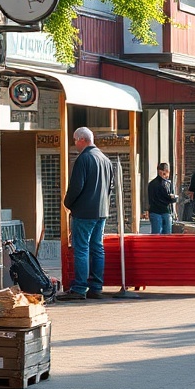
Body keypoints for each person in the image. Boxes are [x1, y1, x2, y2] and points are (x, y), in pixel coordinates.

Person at [57, 127, 114, 301]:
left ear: (82, 139)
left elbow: (76, 187)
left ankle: (79, 288)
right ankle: (96, 287)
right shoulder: (105, 159)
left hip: (84, 211)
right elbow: (110, 187)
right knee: (97, 248)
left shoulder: (83, 159)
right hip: (101, 211)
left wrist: (67, 203)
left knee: (81, 248)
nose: (75, 144)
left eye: (75, 140)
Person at [147, 162, 177, 235]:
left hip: (157, 211)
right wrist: (172, 199)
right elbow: (168, 197)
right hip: (163, 211)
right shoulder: (165, 184)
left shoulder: (152, 183)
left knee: (158, 234)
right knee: (165, 234)